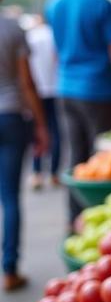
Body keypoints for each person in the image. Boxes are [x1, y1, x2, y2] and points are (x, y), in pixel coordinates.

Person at [46, 0, 111, 224]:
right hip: (98, 91)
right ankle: (101, 222)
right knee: (102, 161)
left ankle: (75, 222)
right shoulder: (100, 4)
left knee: (76, 158)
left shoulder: (53, 3)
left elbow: (56, 50)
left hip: (65, 89)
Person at [0, 0, 48, 290]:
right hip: (11, 116)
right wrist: (42, 124)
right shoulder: (13, 28)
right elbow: (27, 82)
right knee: (10, 196)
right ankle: (9, 270)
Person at [26, 15, 61, 188]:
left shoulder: (30, 37)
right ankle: (54, 173)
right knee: (55, 131)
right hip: (54, 88)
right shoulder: (53, 35)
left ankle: (37, 172)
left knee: (37, 131)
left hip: (35, 90)